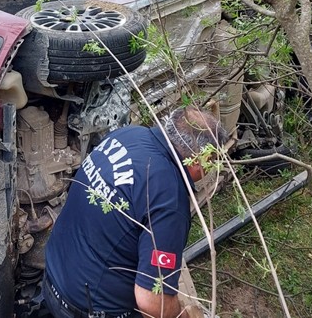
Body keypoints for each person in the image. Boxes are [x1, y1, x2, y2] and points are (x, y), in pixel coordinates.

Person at [43, 106, 227, 318]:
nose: (211, 167)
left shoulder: (127, 134)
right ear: (197, 160)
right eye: (212, 161)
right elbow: (150, 301)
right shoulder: (169, 201)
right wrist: (182, 314)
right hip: (86, 308)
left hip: (54, 277)